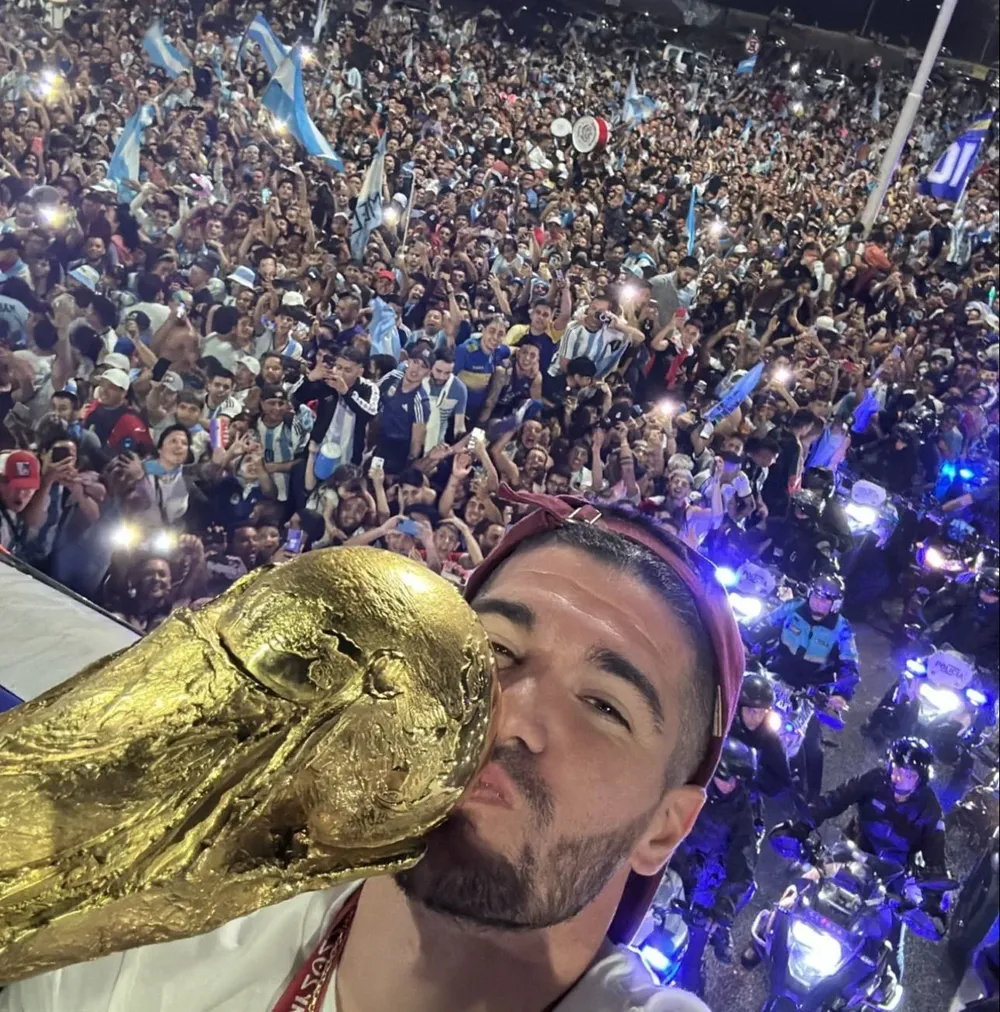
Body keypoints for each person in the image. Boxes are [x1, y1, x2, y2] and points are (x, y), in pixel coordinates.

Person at [2, 495, 744, 1012]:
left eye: (605, 705)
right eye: (496, 649)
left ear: (666, 829)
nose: (511, 714)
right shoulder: (151, 927)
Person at [743, 572, 859, 799]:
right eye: (816, 594)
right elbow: (764, 625)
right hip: (775, 677)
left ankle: (812, 796)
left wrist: (841, 695)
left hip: (809, 692)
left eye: (825, 598)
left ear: (835, 604)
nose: (818, 600)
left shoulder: (842, 629)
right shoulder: (793, 608)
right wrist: (745, 642)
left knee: (812, 747)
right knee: (744, 712)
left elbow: (850, 665)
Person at [670, 736, 760, 993]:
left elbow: (743, 864)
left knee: (690, 960)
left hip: (704, 891)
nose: (732, 785)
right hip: (668, 873)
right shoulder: (688, 786)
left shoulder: (741, 814)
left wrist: (720, 910)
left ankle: (690, 993)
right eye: (728, 777)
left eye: (737, 780)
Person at [730, 668, 793, 801]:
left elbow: (783, 781)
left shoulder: (767, 735)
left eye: (762, 712)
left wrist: (754, 773)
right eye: (751, 711)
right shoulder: (724, 726)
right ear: (738, 707)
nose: (756, 718)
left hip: (744, 799)